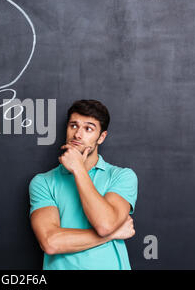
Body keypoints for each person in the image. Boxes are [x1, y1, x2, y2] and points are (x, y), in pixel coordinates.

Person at [29, 99, 138, 270]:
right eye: (73, 126)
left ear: (101, 137)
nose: (78, 134)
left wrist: (78, 169)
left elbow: (105, 225)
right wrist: (112, 235)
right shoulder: (43, 182)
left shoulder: (122, 176)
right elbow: (50, 242)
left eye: (88, 128)